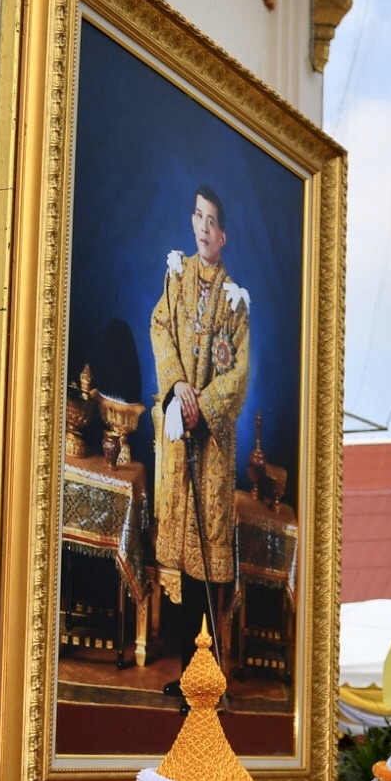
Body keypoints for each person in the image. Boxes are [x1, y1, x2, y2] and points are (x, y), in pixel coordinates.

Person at [150, 185, 248, 689]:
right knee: (181, 569)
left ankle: (208, 680)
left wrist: (202, 408)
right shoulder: (176, 276)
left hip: (209, 445)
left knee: (207, 562)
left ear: (223, 235)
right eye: (198, 217)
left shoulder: (235, 302)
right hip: (176, 431)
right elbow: (160, 328)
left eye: (212, 221)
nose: (203, 228)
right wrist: (178, 389)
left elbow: (238, 375)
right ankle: (188, 675)